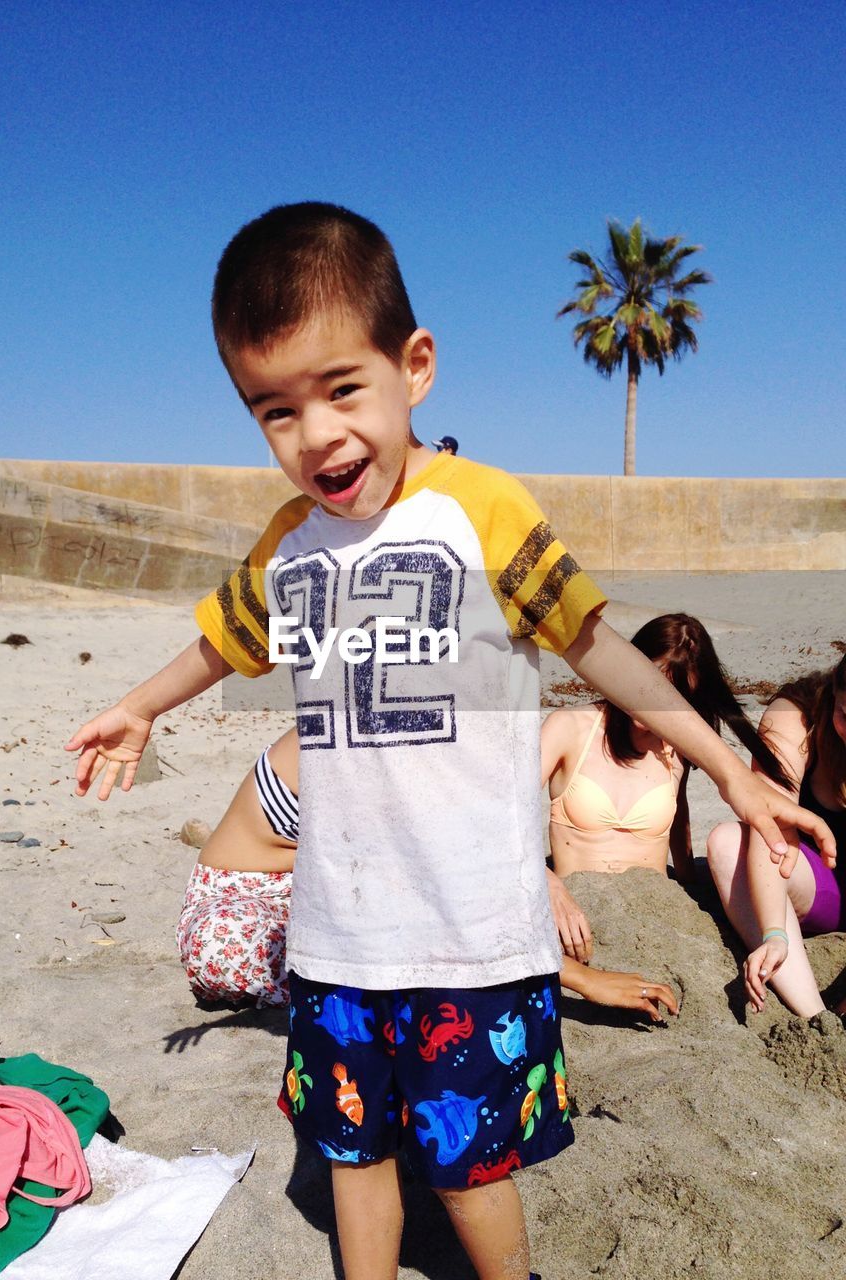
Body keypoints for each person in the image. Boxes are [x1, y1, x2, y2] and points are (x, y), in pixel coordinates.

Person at [67, 202, 832, 1280]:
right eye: (274, 409)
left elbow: (605, 652)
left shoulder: (483, 511)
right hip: (336, 938)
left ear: (412, 367)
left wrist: (731, 771)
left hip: (473, 938)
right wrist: (144, 703)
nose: (316, 434)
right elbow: (219, 642)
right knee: (354, 1153)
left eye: (341, 389)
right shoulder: (290, 546)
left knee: (471, 1169)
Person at [178, 728, 679, 1022]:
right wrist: (580, 978)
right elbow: (424, 868)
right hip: (237, 907)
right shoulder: (338, 735)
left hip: (324, 891)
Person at [543, 613, 789, 963]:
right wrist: (546, 883)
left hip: (656, 921)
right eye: (653, 684)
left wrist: (689, 879)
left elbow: (678, 809)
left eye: (676, 693)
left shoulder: (677, 750)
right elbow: (503, 813)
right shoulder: (569, 727)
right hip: (576, 913)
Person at [706, 654, 846, 1018]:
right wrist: (774, 934)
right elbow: (771, 830)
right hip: (821, 885)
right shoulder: (795, 716)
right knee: (728, 843)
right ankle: (816, 1019)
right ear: (834, 694)